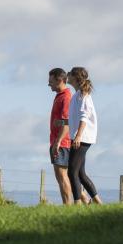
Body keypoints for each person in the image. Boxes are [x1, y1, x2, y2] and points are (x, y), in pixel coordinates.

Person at [67, 67, 102, 205]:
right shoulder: (76, 95)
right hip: (80, 137)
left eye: (70, 74)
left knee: (72, 172)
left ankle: (77, 204)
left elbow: (84, 117)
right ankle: (98, 203)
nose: (67, 75)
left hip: (82, 138)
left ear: (75, 78)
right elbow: (76, 117)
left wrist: (78, 136)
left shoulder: (83, 95)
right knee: (80, 173)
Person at [47, 67, 73, 205]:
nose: (48, 84)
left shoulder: (66, 97)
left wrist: (57, 142)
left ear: (59, 80)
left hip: (62, 143)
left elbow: (67, 122)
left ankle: (68, 207)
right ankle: (85, 202)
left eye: (51, 81)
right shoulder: (61, 96)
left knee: (62, 176)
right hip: (59, 141)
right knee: (66, 176)